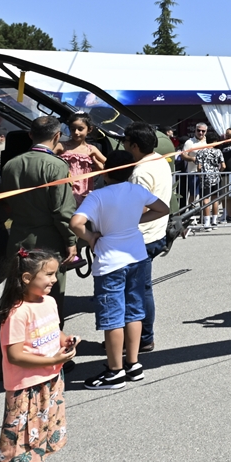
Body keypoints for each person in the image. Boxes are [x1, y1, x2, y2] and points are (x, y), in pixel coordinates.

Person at [70, 151, 171, 390]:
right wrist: (134, 220)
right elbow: (163, 209)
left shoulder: (98, 196)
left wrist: (90, 237)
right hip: (137, 256)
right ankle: (133, 364)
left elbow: (76, 223)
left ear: (106, 173)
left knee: (112, 316)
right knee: (134, 311)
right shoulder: (137, 191)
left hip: (110, 261)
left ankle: (115, 371)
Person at [0, 248, 78, 462]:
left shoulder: (48, 302)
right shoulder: (17, 313)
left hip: (49, 378)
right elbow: (14, 355)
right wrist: (51, 359)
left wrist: (64, 340)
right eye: (48, 274)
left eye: (55, 274)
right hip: (25, 385)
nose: (54, 279)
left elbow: (53, 329)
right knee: (15, 437)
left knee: (41, 427)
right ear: (27, 278)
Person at [0, 116, 78, 320]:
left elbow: (6, 203)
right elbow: (62, 211)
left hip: (18, 237)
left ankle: (13, 332)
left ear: (30, 135)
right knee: (49, 291)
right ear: (57, 136)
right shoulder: (57, 166)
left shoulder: (11, 165)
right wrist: (71, 241)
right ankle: (47, 334)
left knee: (18, 291)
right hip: (48, 241)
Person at [125, 122, 172, 354]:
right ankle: (139, 337)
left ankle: (143, 338)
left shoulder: (140, 172)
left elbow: (139, 208)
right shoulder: (160, 160)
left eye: (125, 141)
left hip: (142, 237)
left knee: (137, 291)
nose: (124, 145)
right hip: (157, 232)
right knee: (142, 288)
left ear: (134, 145)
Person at [59, 114, 106, 207]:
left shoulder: (91, 149)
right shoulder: (61, 146)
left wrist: (99, 166)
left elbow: (110, 164)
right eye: (72, 129)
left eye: (80, 129)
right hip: (63, 187)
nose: (76, 132)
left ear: (89, 129)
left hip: (82, 190)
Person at [182, 129, 225, 230]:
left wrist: (200, 173)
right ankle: (214, 221)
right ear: (215, 141)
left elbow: (199, 167)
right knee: (215, 199)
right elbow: (223, 165)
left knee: (205, 200)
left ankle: (206, 222)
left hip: (205, 178)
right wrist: (219, 171)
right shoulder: (218, 152)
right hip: (216, 178)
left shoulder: (201, 152)